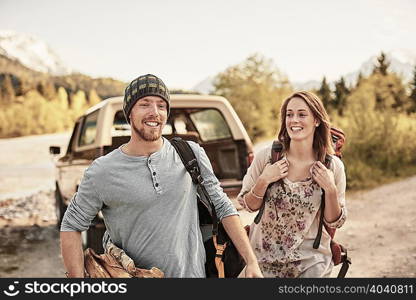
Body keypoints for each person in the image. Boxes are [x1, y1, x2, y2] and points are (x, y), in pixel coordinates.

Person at [60, 74, 263, 278]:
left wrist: (251, 261)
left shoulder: (190, 154)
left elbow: (222, 206)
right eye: (145, 104)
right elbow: (71, 225)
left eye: (161, 105)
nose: (154, 112)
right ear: (129, 112)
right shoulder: (102, 171)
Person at [237, 91, 347, 277]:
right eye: (289, 114)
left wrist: (330, 189)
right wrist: (264, 180)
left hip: (311, 263)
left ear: (316, 120)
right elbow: (248, 205)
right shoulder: (267, 157)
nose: (294, 120)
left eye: (302, 114)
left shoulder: (332, 166)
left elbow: (334, 220)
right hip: (262, 260)